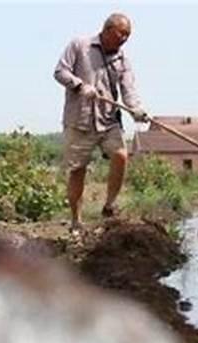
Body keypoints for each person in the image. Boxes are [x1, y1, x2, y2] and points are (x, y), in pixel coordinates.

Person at [54, 13, 149, 236]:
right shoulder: (80, 46)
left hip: (108, 120)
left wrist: (136, 109)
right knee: (78, 170)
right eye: (121, 33)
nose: (125, 39)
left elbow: (129, 91)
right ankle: (76, 221)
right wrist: (79, 86)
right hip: (80, 121)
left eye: (128, 35)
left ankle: (109, 206)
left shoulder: (122, 60)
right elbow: (60, 72)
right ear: (107, 30)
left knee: (121, 155)